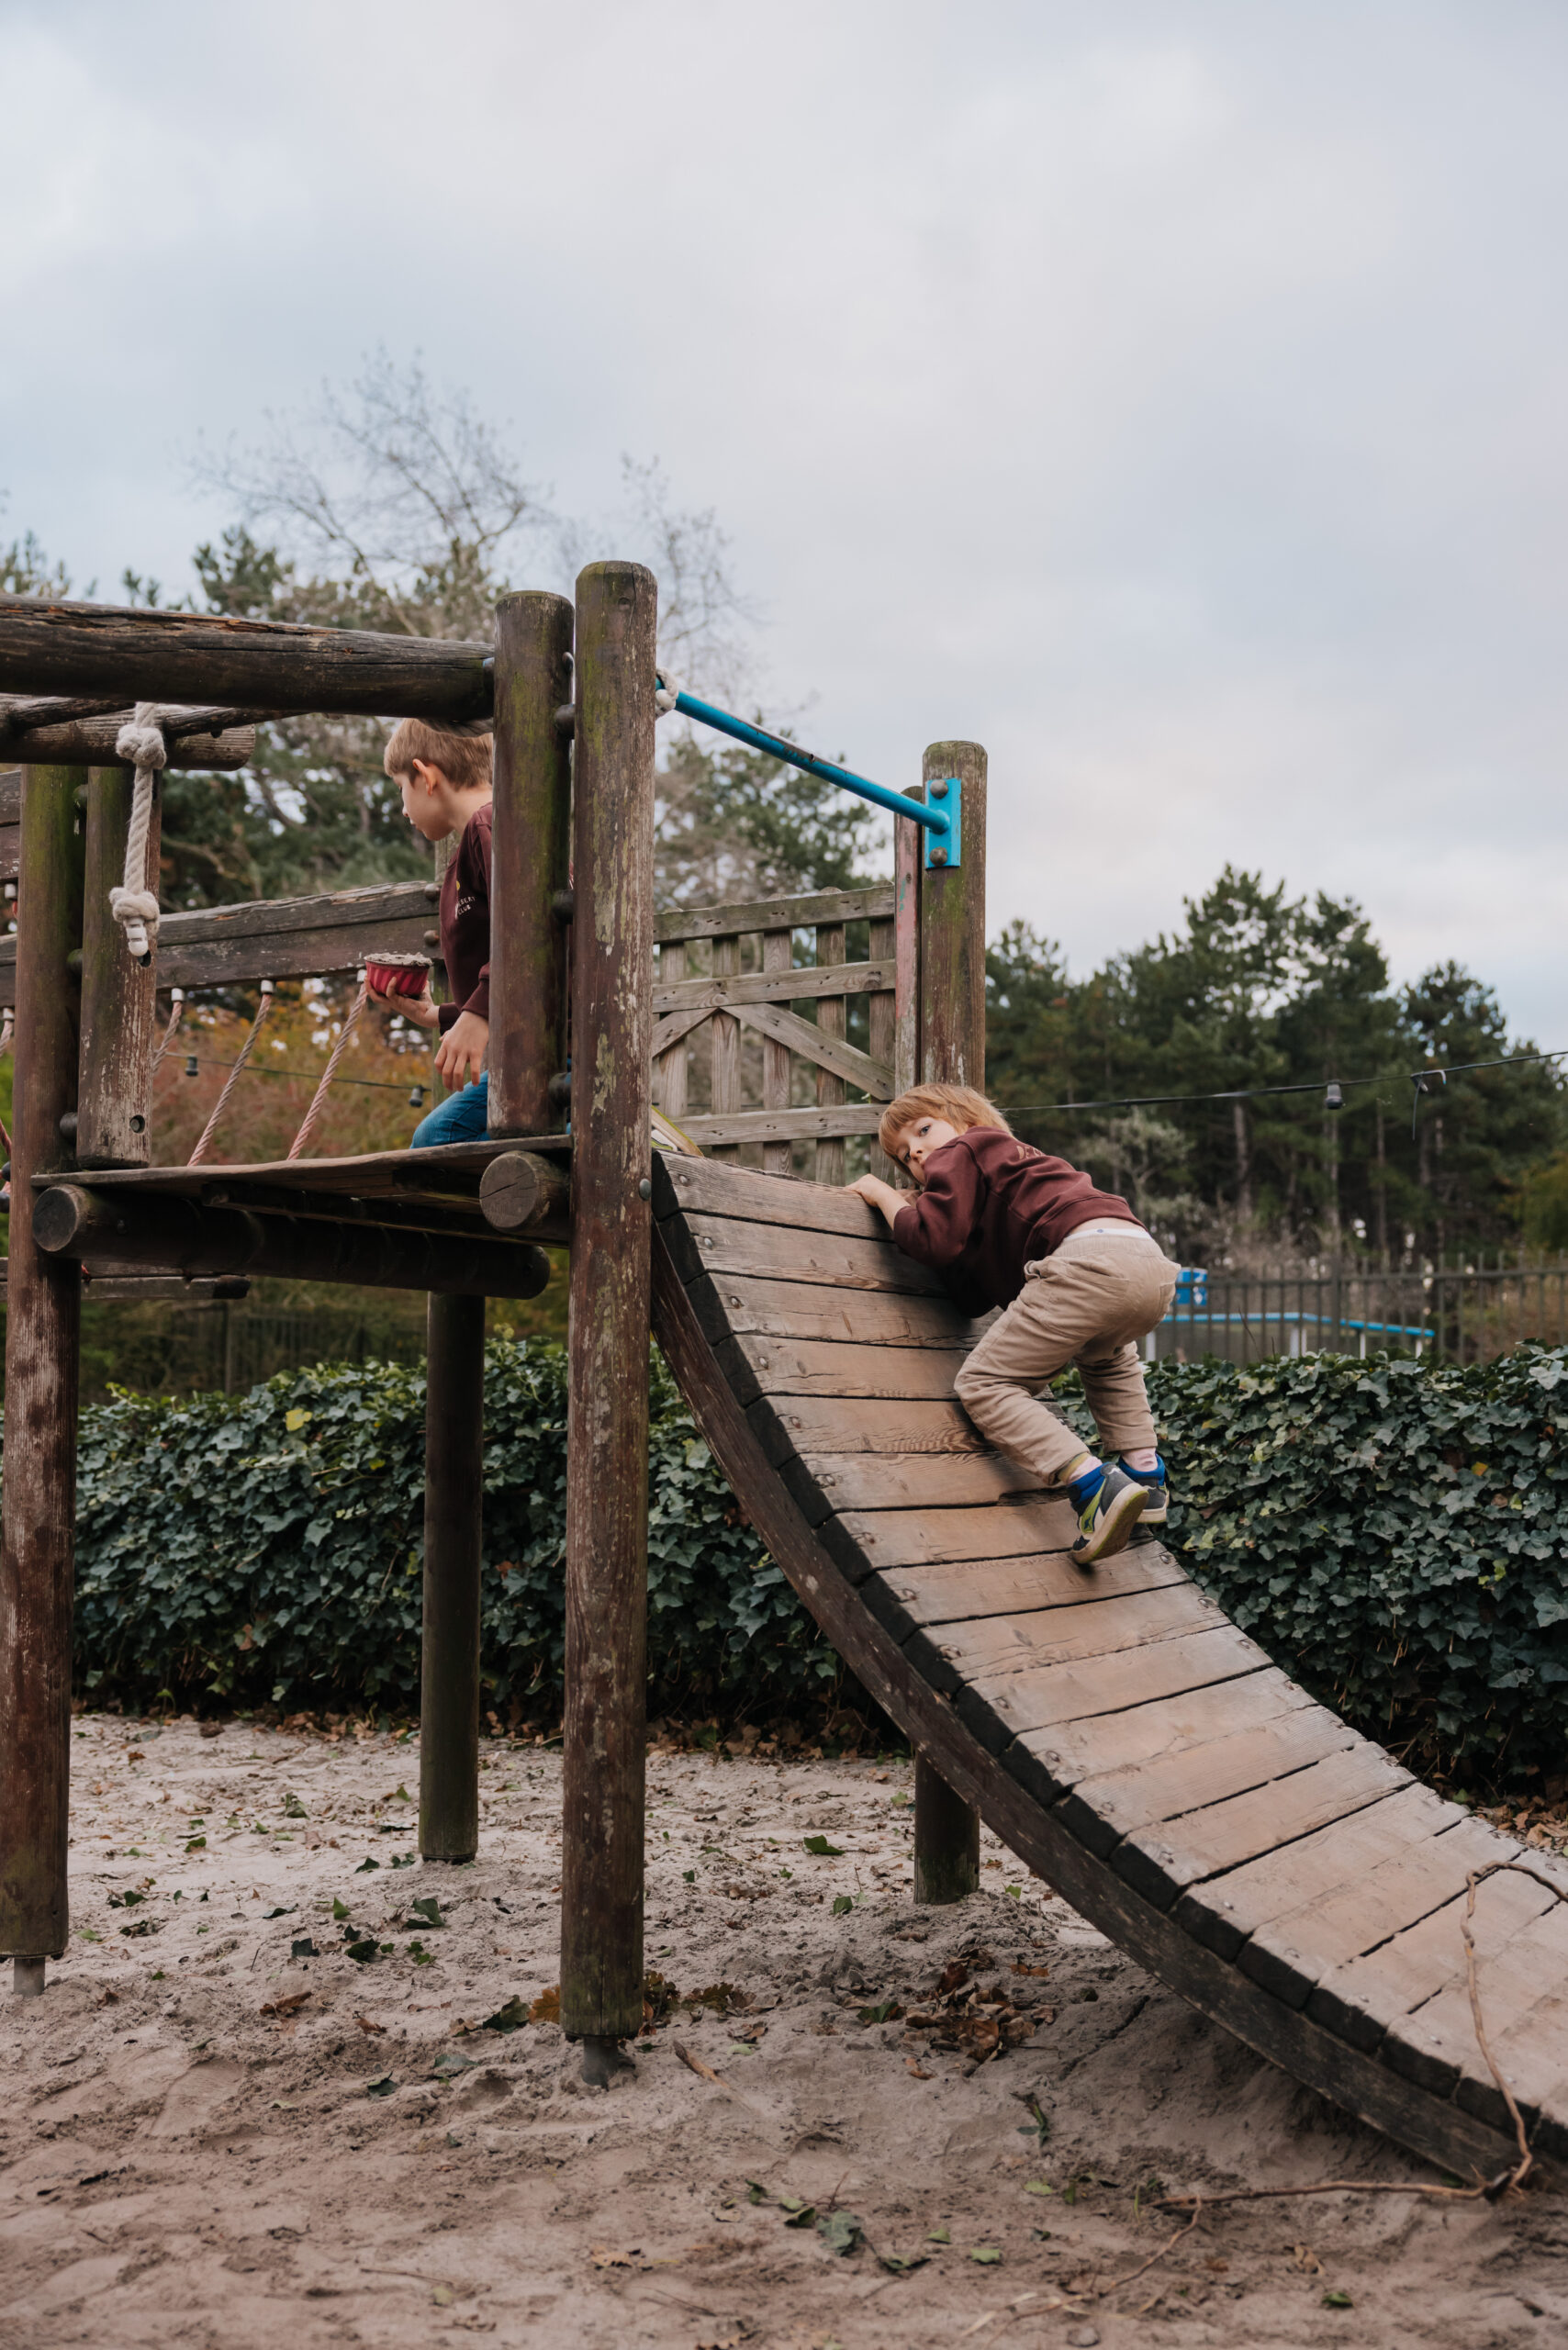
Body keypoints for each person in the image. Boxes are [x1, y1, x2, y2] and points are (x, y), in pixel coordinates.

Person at [848, 1083, 1177, 1565]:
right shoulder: (1013, 1173)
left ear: (965, 1118)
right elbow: (969, 1293)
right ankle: (1145, 1475)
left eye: (922, 1131)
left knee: (984, 1383)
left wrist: (882, 1194)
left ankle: (1092, 1485)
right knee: (1106, 1355)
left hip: (1085, 1259)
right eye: (904, 1155)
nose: (917, 1151)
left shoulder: (968, 1146)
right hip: (1146, 1262)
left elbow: (933, 1240)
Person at [370, 720, 494, 1148]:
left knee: (440, 1136)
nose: (403, 809)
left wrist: (482, 1013)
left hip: (561, 1058)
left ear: (426, 777)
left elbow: (535, 938)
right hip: (530, 1051)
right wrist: (437, 1016)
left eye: (400, 788)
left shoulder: (491, 826)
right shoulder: (472, 846)